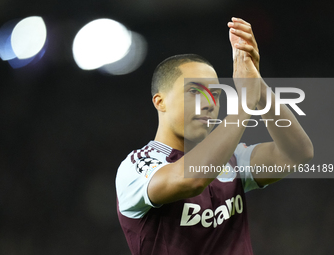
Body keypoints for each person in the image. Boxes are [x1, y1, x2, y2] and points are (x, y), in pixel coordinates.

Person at [115, 17, 313, 255]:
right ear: (160, 102)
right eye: (195, 91)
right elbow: (192, 179)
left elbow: (297, 153)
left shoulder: (232, 158)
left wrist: (258, 88)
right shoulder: (137, 167)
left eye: (216, 94)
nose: (209, 103)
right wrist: (245, 103)